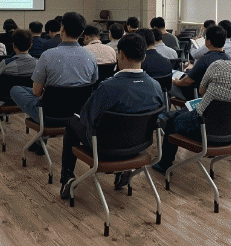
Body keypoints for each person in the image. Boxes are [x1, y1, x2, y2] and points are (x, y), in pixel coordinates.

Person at [59, 33, 165, 197]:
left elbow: (87, 119)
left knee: (72, 122)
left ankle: (66, 176)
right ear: (144, 56)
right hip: (138, 147)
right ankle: (123, 171)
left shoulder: (108, 87)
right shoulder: (155, 86)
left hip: (105, 148)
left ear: (120, 54)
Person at [153, 36, 231, 174]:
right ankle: (166, 118)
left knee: (172, 121)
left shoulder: (218, 66)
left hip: (202, 128)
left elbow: (202, 91)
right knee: (180, 114)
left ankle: (163, 164)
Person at [10, 12, 98, 153]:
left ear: (62, 29)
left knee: (16, 90)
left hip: (49, 116)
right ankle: (40, 141)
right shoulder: (91, 56)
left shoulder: (47, 55)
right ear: (82, 33)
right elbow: (91, 85)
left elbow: (36, 92)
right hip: (77, 115)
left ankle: (41, 140)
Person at [0, 29, 38, 130]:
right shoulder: (37, 64)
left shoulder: (6, 63)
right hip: (26, 100)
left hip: (4, 100)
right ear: (31, 45)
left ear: (14, 45)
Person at [170, 25, 229, 100]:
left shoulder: (205, 59)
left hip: (196, 95)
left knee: (164, 83)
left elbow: (188, 81)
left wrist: (177, 82)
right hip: (216, 97)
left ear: (209, 42)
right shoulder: (228, 58)